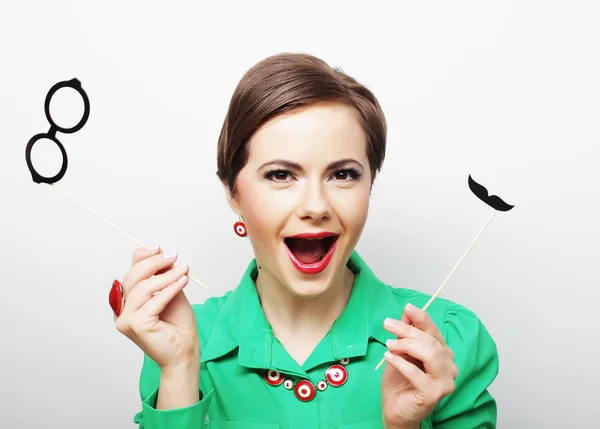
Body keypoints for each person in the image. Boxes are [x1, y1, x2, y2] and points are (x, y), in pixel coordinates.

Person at [112, 53, 499, 429]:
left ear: (370, 186)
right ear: (233, 193)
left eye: (343, 174)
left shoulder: (448, 340)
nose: (316, 206)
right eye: (281, 175)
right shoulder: (181, 342)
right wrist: (179, 369)